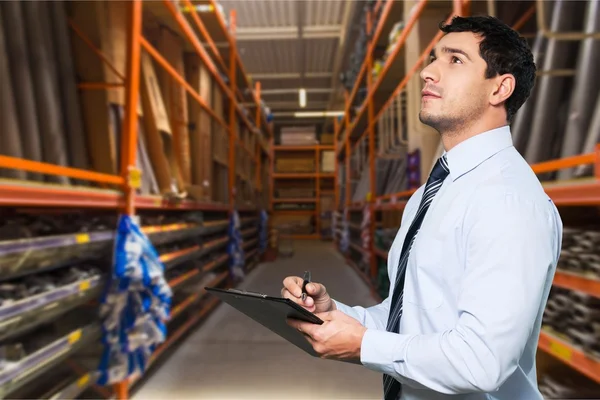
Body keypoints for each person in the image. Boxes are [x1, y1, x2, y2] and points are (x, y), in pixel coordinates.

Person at [282, 15, 563, 400]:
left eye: (454, 60)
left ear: (500, 88)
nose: (428, 72)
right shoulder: (433, 191)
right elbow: (410, 315)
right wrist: (338, 315)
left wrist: (363, 344)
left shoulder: (507, 200)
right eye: (433, 58)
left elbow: (482, 361)